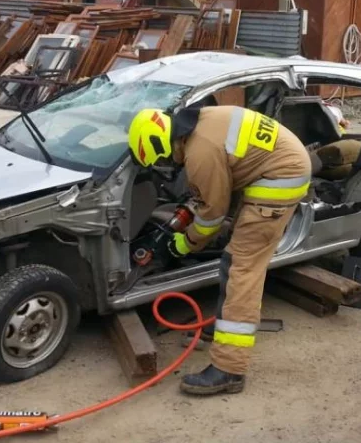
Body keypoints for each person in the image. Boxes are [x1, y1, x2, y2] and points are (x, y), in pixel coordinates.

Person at [127, 104, 311, 395]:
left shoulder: (200, 153)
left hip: (280, 180)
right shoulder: (201, 121)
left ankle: (229, 370)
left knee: (243, 268)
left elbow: (211, 216)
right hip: (275, 168)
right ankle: (225, 324)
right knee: (233, 259)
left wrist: (185, 243)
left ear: (161, 144)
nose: (169, 165)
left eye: (163, 159)